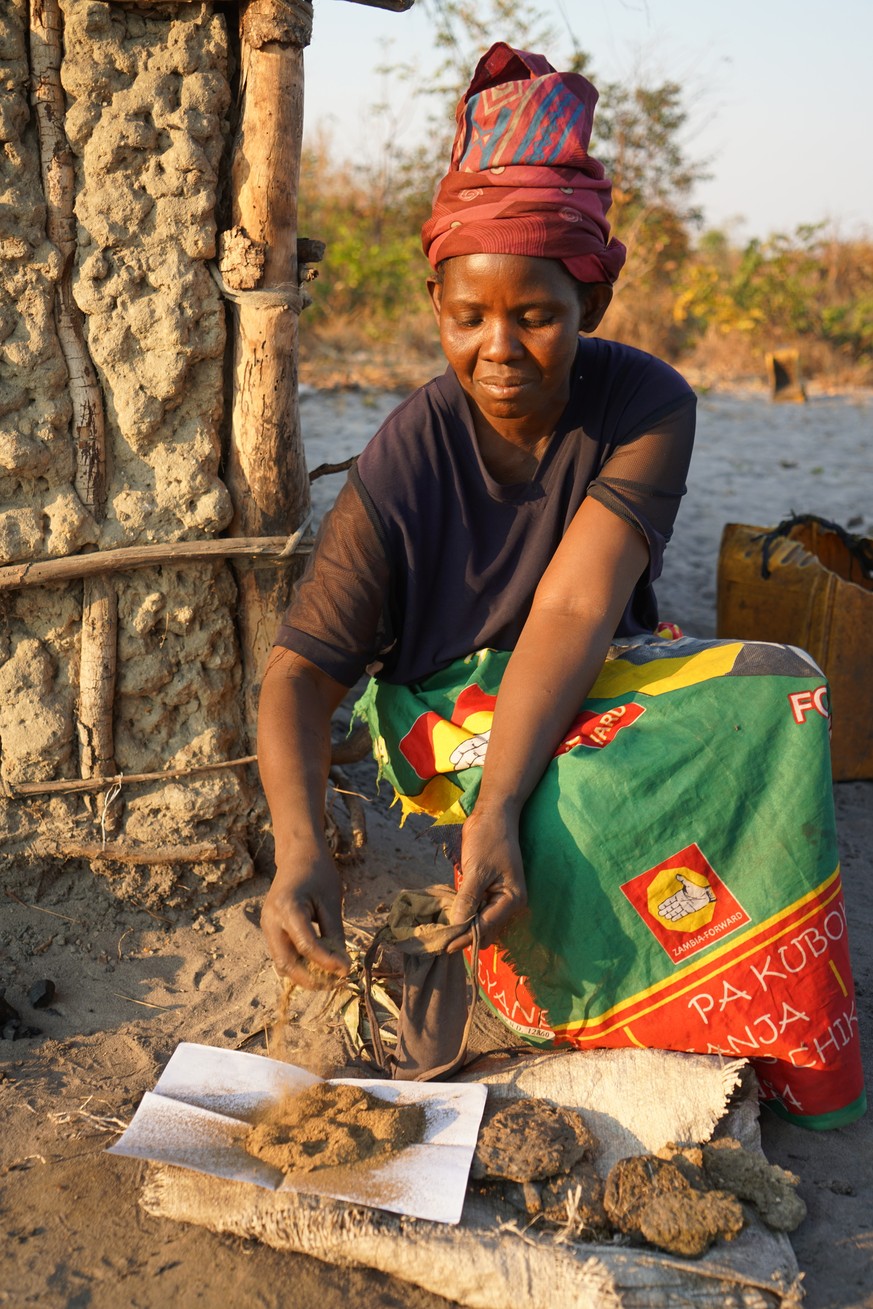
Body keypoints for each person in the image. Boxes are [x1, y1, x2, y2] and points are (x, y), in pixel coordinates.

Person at [258, 44, 864, 1129]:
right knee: (581, 794)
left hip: (593, 663)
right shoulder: (408, 453)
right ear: (436, 304)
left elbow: (581, 605)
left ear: (593, 296)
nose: (500, 350)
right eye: (468, 318)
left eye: (535, 314)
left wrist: (499, 809)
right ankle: (587, 997)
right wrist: (299, 850)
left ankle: (767, 1012)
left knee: (786, 694)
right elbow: (302, 673)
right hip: (451, 707)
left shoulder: (647, 404)